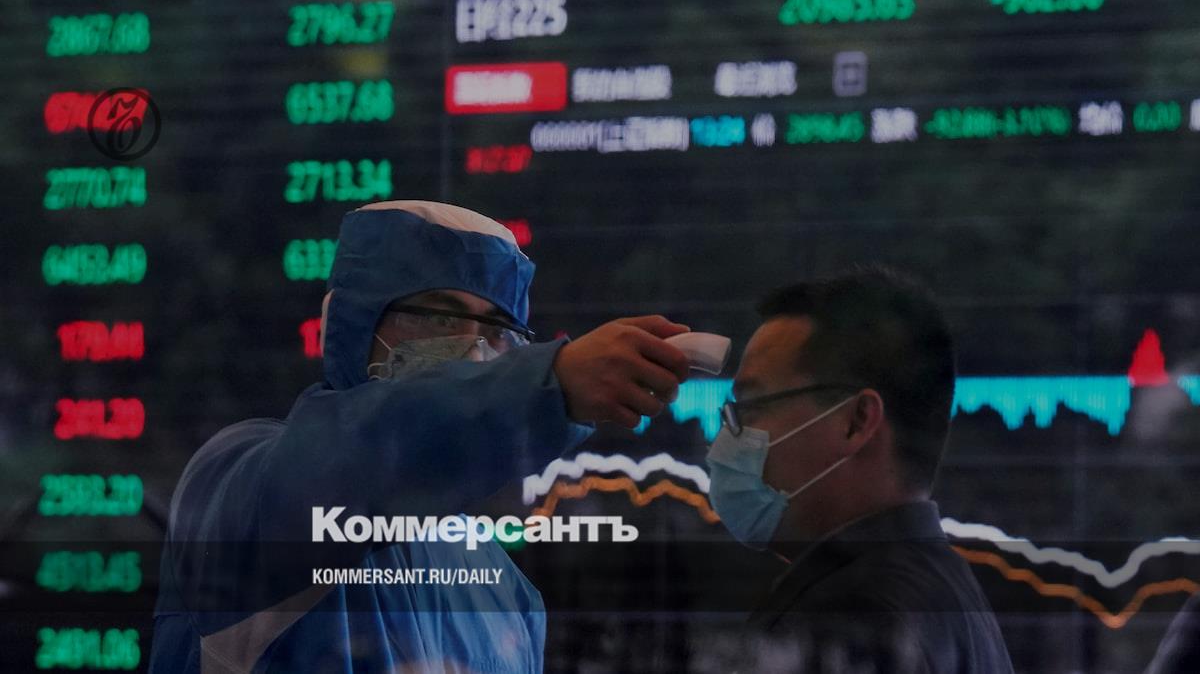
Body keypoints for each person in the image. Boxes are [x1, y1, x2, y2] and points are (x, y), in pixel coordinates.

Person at [149, 200, 691, 673]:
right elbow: (370, 451)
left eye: (497, 331)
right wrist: (553, 382)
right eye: (438, 319)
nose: (472, 352)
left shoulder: (505, 592)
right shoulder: (243, 486)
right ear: (352, 325)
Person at [705, 265, 1013, 672]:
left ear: (856, 421)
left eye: (751, 406)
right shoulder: (940, 588)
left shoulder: (853, 616)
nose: (725, 438)